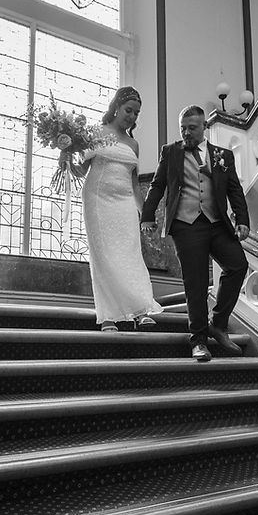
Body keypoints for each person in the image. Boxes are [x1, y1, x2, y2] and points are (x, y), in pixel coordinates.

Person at [141, 105, 250, 361]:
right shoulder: (171, 153)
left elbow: (234, 189)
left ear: (204, 127)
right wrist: (147, 216)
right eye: (183, 128)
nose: (187, 133)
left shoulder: (223, 155)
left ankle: (219, 323)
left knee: (237, 265)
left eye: (192, 128)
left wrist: (242, 219)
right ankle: (198, 340)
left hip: (217, 223)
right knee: (196, 283)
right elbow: (157, 185)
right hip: (186, 225)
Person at [78, 86, 162, 332]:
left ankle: (140, 310)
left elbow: (135, 184)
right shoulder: (96, 133)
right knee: (104, 256)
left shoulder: (133, 144)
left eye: (136, 113)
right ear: (116, 107)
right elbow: (82, 170)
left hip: (124, 202)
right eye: (129, 110)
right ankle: (108, 316)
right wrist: (66, 156)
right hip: (97, 199)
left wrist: (146, 215)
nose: (132, 117)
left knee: (130, 254)